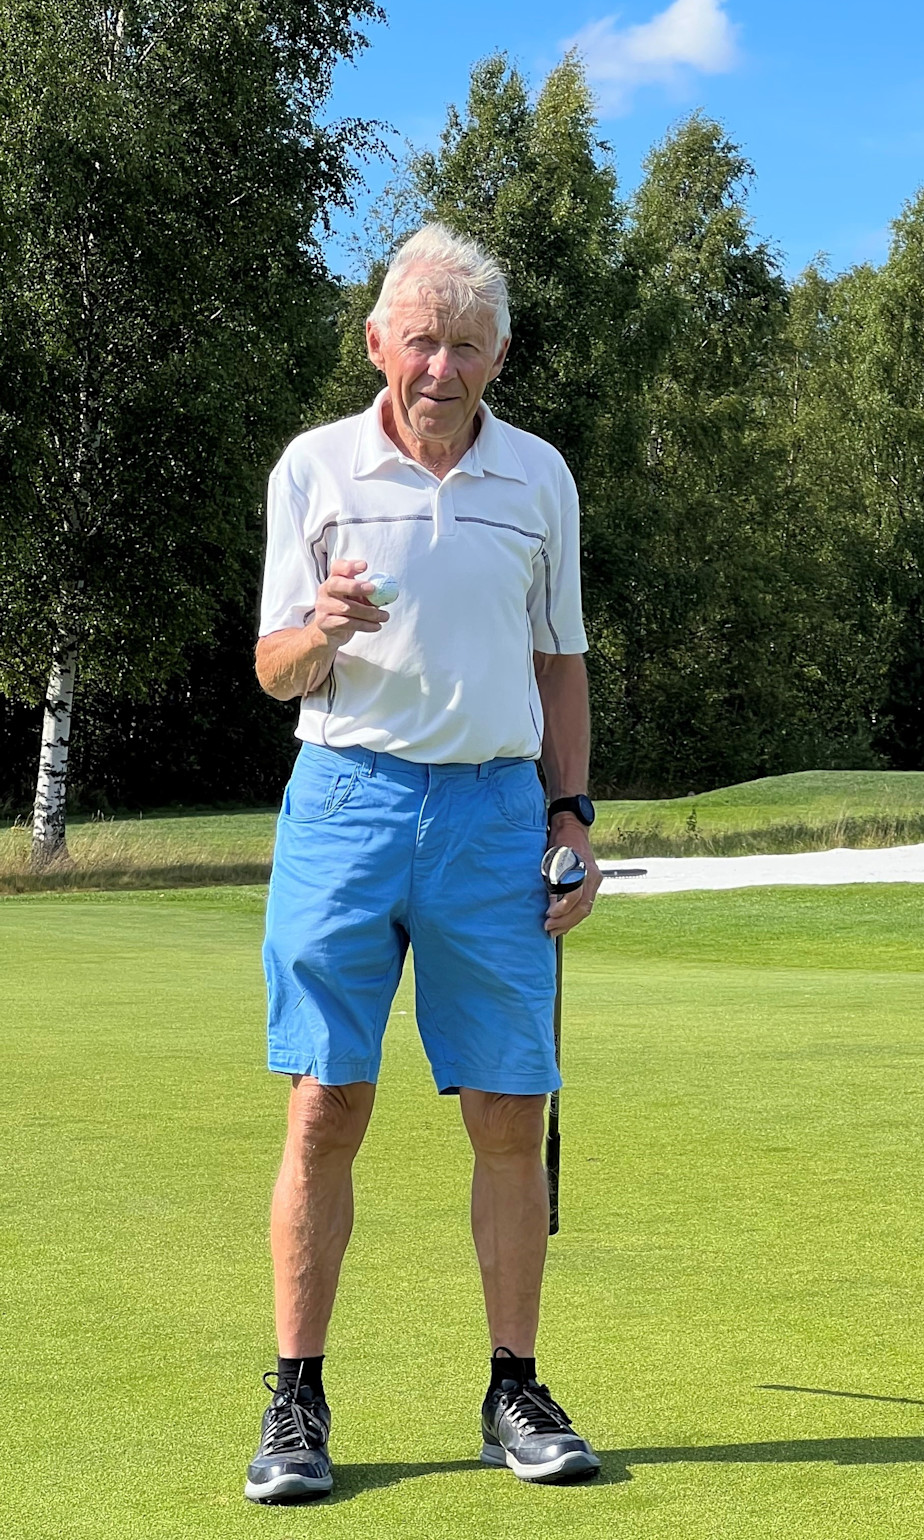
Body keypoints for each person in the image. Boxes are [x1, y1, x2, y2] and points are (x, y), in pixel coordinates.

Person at [245, 223, 603, 1503]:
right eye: (420, 339)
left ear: (497, 354)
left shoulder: (539, 478)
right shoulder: (315, 469)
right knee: (325, 1105)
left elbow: (559, 659)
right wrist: (321, 629)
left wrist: (572, 818)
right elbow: (273, 670)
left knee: (508, 1112)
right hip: (342, 805)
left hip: (497, 814)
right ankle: (296, 1399)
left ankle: (515, 1386)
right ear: (376, 342)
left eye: (466, 344)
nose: (440, 366)